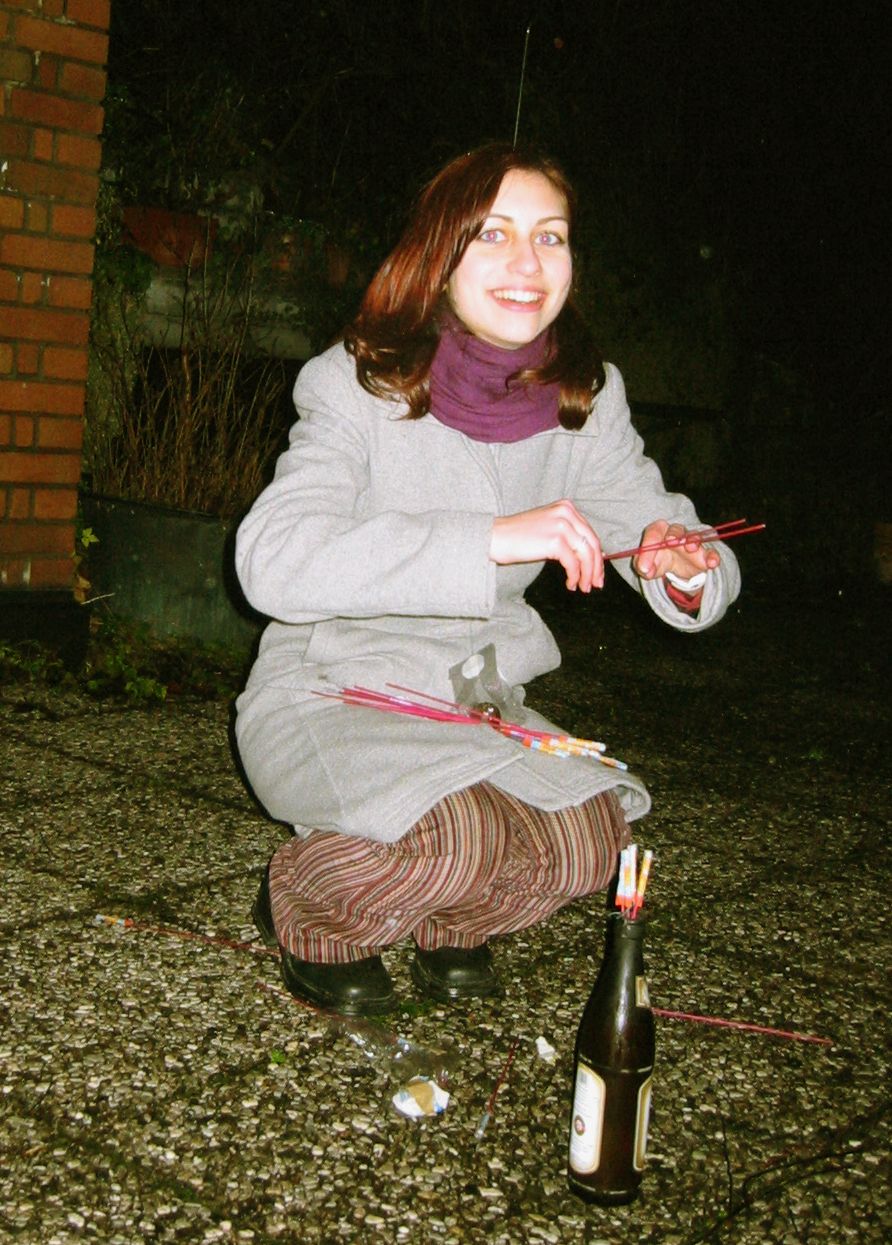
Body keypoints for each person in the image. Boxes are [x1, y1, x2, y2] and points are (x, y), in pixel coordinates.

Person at [234, 143, 740, 1016]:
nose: (527, 262)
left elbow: (659, 523)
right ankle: (310, 908)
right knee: (457, 835)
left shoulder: (584, 395)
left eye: (551, 236)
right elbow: (270, 557)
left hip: (473, 702)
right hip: (333, 691)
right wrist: (489, 541)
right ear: (441, 252)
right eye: (494, 234)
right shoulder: (357, 381)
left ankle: (447, 915)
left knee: (592, 839)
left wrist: (684, 564)